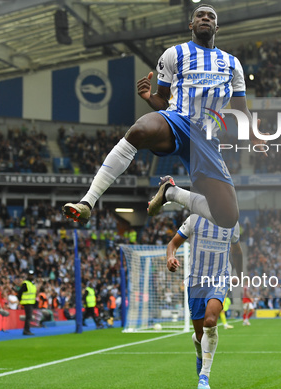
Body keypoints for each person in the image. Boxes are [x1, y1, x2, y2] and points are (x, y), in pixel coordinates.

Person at [63, 4, 263, 229]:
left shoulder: (232, 64)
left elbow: (240, 108)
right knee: (139, 130)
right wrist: (150, 98)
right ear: (191, 24)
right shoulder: (174, 54)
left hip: (206, 139)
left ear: (217, 27)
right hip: (177, 121)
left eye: (210, 17)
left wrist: (254, 134)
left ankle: (171, 192)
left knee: (227, 218)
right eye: (200, 15)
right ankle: (87, 203)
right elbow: (163, 100)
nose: (205, 18)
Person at [167, 214, 242, 389]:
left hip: (219, 280)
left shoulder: (231, 222)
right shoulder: (194, 220)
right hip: (195, 283)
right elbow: (173, 244)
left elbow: (237, 250)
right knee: (200, 335)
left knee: (210, 322)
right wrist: (170, 257)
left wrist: (238, 272)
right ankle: (200, 354)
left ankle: (204, 375)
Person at [18, 270, 37, 336]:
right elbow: (20, 292)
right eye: (30, 275)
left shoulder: (32, 283)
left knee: (29, 317)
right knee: (28, 317)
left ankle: (27, 330)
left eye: (32, 275)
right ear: (28, 275)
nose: (31, 276)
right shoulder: (26, 283)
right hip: (27, 302)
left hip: (31, 302)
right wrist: (20, 300)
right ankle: (26, 330)